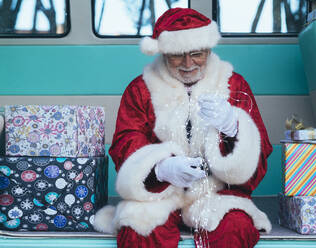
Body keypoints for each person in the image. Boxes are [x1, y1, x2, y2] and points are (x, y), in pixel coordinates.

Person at [94, 8, 273, 248]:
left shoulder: (234, 85)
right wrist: (160, 170)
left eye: (197, 54)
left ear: (208, 50)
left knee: (235, 228)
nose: (188, 64)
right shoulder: (140, 90)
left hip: (218, 195)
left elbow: (259, 153)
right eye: (177, 55)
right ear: (164, 53)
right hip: (159, 195)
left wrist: (234, 128)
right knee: (139, 232)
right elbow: (126, 142)